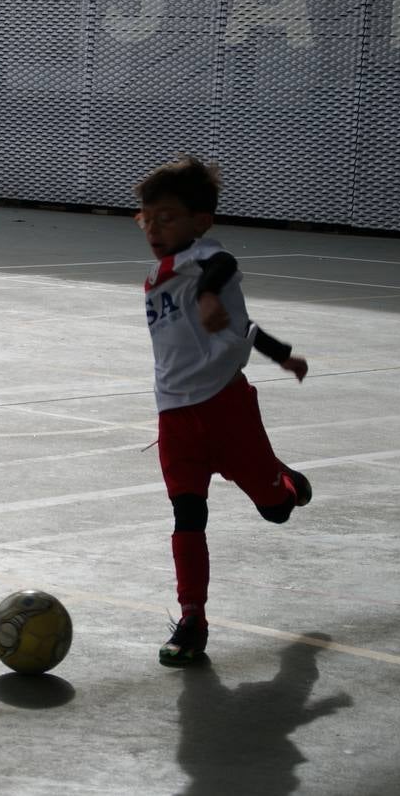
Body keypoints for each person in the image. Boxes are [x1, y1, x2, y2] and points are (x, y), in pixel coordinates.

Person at [136, 156, 311, 667]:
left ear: (200, 221)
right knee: (188, 515)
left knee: (275, 511)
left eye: (167, 216)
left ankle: (287, 483)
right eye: (147, 217)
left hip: (227, 411)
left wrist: (211, 294)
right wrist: (279, 352)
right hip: (174, 417)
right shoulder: (155, 276)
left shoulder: (207, 260)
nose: (154, 227)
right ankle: (193, 619)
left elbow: (223, 267)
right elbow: (245, 328)